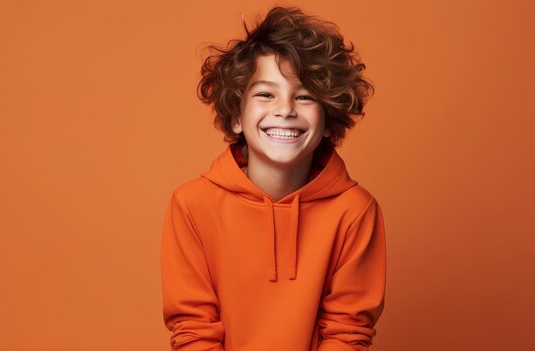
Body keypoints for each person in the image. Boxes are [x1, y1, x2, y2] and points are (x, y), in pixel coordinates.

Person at [161, 6, 386, 351]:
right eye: (266, 93)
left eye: (305, 96)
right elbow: (194, 330)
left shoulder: (355, 211)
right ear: (236, 116)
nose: (285, 109)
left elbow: (347, 333)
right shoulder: (192, 205)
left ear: (328, 120)